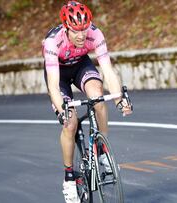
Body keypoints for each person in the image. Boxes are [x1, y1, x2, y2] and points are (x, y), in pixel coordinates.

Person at [42, 1, 132, 202]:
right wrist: (62, 111)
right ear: (66, 28)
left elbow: (108, 70)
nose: (82, 35)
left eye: (84, 29)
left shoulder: (95, 34)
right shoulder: (52, 42)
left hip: (81, 65)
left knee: (98, 96)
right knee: (70, 123)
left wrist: (119, 100)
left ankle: (103, 152)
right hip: (59, 75)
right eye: (76, 31)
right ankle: (69, 179)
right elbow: (54, 85)